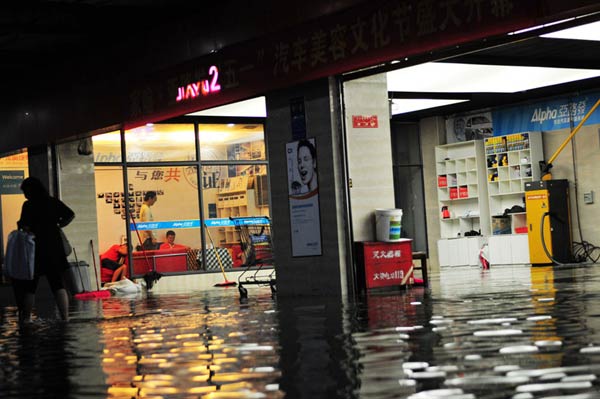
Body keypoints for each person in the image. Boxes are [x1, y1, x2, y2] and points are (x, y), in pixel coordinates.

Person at [13, 176, 75, 322]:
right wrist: (58, 225)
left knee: (30, 285)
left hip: (36, 249)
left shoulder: (28, 205)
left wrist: (23, 227)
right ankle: (65, 317)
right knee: (57, 283)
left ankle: (26, 319)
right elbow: (70, 215)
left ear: (31, 190)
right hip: (54, 247)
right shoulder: (52, 201)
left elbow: (25, 226)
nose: (24, 194)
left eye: (25, 191)